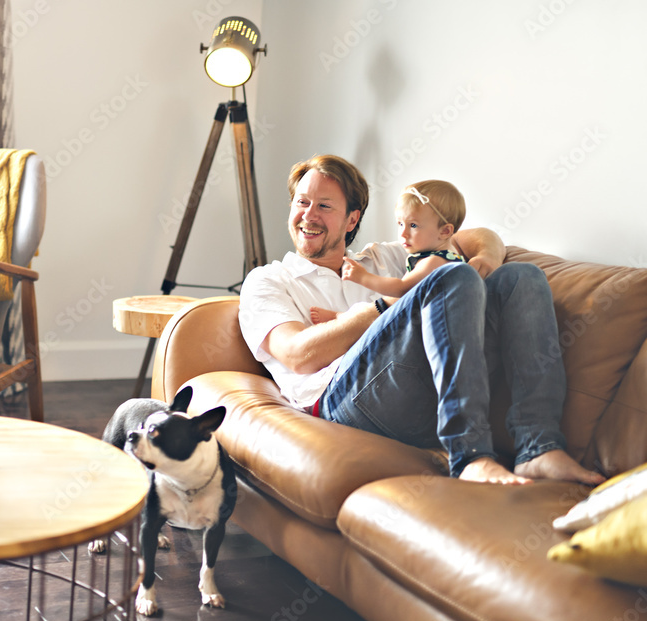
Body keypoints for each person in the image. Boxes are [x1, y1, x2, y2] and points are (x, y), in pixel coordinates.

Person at [239, 154, 604, 486]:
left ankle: (538, 447)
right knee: (450, 277)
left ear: (352, 219)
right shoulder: (268, 280)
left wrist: (488, 258)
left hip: (420, 389)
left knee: (521, 278)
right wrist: (383, 307)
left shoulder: (387, 258)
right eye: (302, 203)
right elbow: (298, 355)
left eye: (324, 206)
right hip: (342, 401)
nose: (309, 215)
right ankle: (469, 455)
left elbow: (478, 236)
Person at [310, 179, 467, 324]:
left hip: (437, 324)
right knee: (375, 307)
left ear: (445, 232)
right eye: (400, 224)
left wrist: (363, 277)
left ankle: (341, 317)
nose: (403, 233)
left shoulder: (435, 261)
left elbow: (402, 288)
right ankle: (343, 317)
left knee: (381, 306)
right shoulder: (440, 255)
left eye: (413, 225)